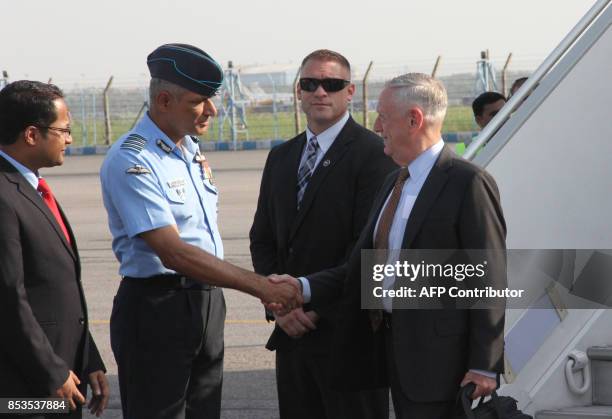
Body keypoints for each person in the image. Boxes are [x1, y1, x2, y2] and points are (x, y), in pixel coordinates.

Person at [273, 73, 507, 418]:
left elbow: (487, 278)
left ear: (414, 119)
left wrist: (485, 365)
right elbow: (361, 268)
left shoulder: (467, 181)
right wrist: (302, 287)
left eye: (383, 116)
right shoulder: (394, 182)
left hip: (443, 365)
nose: (377, 125)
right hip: (391, 354)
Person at [99, 44, 301, 419]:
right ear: (163, 100)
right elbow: (172, 252)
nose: (212, 110)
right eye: (199, 101)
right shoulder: (134, 158)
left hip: (207, 303)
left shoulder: (189, 150)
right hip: (159, 308)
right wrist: (262, 286)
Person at [250, 49, 395, 419]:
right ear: (298, 91)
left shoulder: (374, 154)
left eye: (331, 84)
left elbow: (368, 247)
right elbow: (263, 238)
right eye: (310, 83)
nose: (320, 92)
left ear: (350, 93)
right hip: (292, 333)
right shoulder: (281, 157)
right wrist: (278, 304)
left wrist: (313, 307)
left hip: (348, 336)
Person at [0, 80, 109, 418]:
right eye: (63, 130)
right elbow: (7, 296)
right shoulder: (4, 196)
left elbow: (55, 288)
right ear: (31, 135)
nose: (70, 139)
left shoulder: (30, 187)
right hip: (24, 390)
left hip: (63, 375)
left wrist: (87, 355)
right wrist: (51, 369)